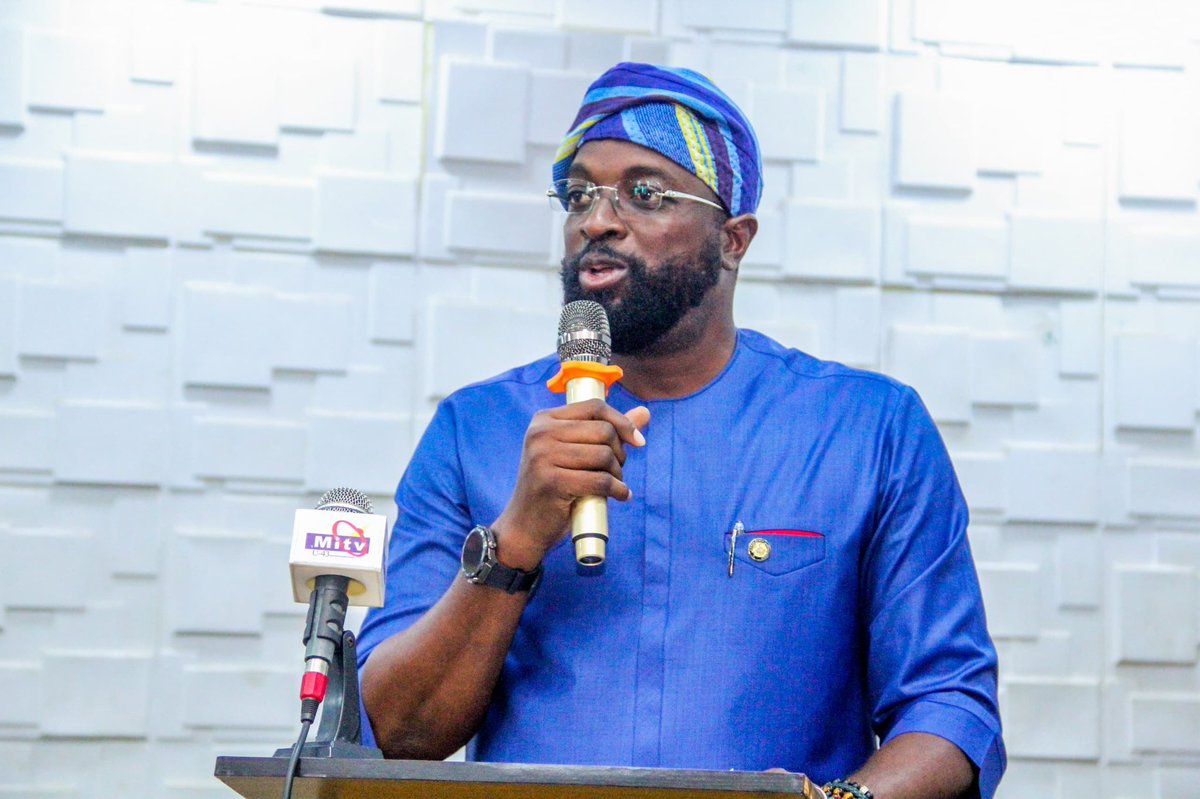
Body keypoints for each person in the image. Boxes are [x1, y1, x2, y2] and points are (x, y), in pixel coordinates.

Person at [357, 62, 1005, 799]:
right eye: (578, 194)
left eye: (644, 192)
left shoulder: (870, 430)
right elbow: (397, 730)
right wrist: (516, 538)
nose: (595, 219)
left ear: (734, 238)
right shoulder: (474, 432)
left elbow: (951, 706)